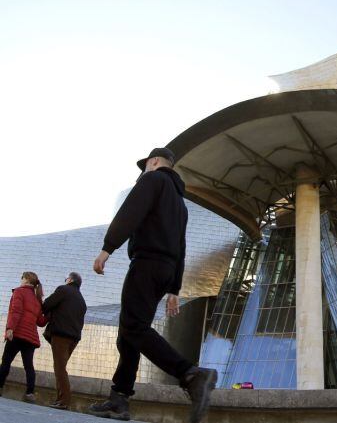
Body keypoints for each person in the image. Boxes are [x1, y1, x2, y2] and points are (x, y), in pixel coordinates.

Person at [88, 148, 216, 423]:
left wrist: (107, 248)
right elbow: (182, 247)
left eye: (145, 165)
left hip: (146, 263)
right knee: (130, 333)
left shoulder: (152, 180)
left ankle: (191, 374)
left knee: (133, 327)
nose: (143, 171)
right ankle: (119, 399)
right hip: (166, 271)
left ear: (154, 162)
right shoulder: (180, 205)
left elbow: (130, 212)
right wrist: (175, 289)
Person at [42, 272, 87, 410]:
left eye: (66, 278)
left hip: (61, 335)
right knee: (61, 367)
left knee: (60, 369)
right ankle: (60, 399)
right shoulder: (81, 300)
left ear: (70, 280)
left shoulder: (63, 289)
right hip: (73, 338)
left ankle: (64, 401)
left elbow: (47, 305)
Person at [0, 271, 47, 402]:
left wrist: (10, 328)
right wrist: (50, 315)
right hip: (30, 338)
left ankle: (0, 386)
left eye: (21, 277)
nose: (20, 280)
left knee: (6, 361)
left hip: (17, 333)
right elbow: (41, 322)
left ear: (26, 279)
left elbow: (16, 311)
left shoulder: (19, 292)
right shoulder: (37, 299)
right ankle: (30, 393)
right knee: (28, 366)